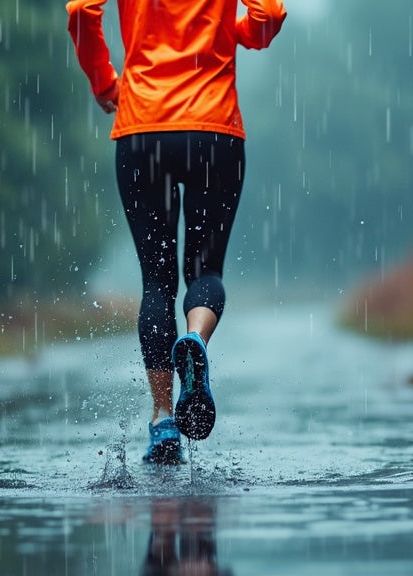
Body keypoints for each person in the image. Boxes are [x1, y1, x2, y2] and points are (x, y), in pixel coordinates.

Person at [66, 0, 286, 464]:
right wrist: (232, 31)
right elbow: (267, 18)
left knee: (156, 281)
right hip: (214, 130)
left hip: (143, 128)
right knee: (205, 269)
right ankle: (196, 340)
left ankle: (163, 419)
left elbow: (83, 10)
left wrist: (104, 81)